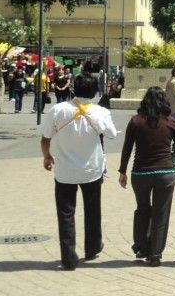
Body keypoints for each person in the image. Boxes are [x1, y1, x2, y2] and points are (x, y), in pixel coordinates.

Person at [40, 72, 118, 270]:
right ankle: (92, 247)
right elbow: (111, 134)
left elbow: (45, 138)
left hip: (64, 171)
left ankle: (68, 258)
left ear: (74, 89)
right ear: (94, 92)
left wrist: (47, 157)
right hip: (92, 170)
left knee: (65, 214)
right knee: (93, 210)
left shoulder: (58, 110)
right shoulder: (101, 112)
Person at [118, 86, 175, 267]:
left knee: (142, 209)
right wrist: (173, 161)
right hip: (165, 174)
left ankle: (141, 247)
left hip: (140, 173)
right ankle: (155, 254)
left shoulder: (135, 121)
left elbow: (127, 148)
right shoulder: (171, 122)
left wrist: (122, 171)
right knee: (160, 213)